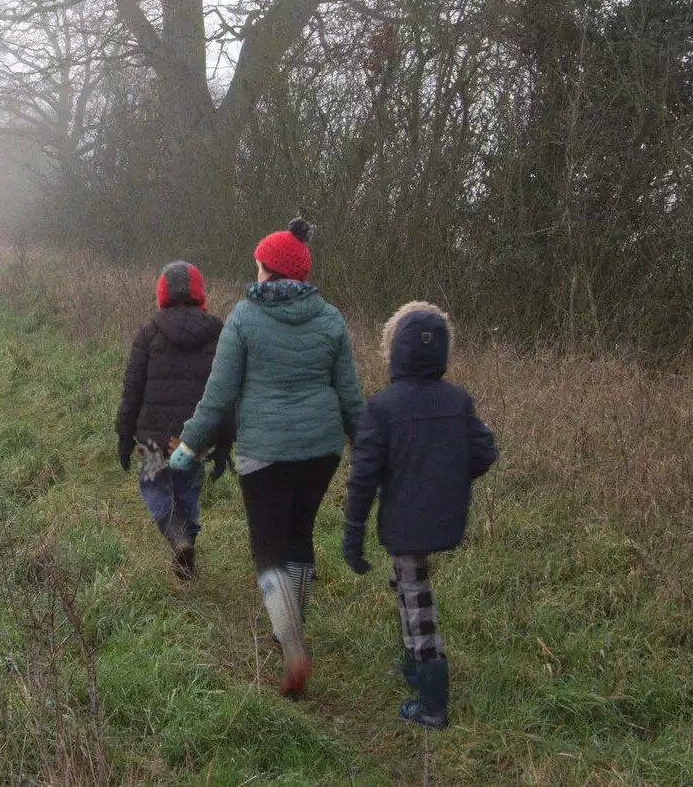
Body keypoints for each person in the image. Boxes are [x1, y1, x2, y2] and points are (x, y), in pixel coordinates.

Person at [169, 218, 363, 697]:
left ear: (269, 270)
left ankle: (292, 648)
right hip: (321, 451)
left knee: (268, 550)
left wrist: (191, 444)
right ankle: (287, 630)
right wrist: (369, 445)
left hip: (266, 452)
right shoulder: (331, 318)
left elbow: (219, 394)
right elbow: (351, 397)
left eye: (258, 266)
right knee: (299, 537)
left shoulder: (244, 318)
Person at [340, 302, 498, 729]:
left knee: (417, 601)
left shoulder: (382, 407)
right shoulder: (457, 400)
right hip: (446, 517)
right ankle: (412, 665)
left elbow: (363, 479)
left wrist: (352, 536)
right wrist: (449, 475)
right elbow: (485, 451)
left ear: (393, 352)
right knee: (406, 585)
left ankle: (432, 703)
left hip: (407, 521)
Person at [115, 261, 233, 581]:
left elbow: (132, 389)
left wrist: (125, 437)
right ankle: (187, 542)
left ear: (161, 294)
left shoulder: (149, 332)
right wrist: (224, 444)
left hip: (154, 439)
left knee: (154, 487)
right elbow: (226, 392)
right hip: (196, 438)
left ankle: (178, 539)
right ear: (199, 292)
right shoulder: (219, 332)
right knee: (187, 492)